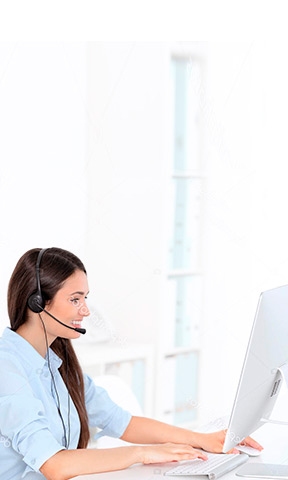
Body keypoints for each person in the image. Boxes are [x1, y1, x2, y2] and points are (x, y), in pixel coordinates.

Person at [0, 247, 263, 480]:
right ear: (37, 303)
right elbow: (54, 465)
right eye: (74, 299)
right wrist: (143, 454)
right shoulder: (7, 369)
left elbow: (121, 421)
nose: (86, 311)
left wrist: (202, 440)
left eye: (85, 298)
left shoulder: (54, 362)